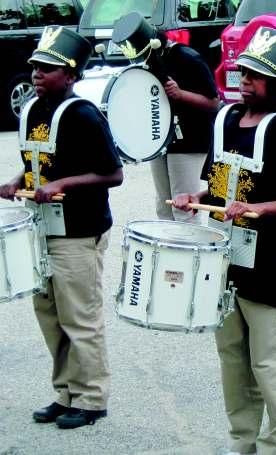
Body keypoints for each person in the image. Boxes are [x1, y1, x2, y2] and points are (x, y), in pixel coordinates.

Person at [173, 26, 276, 455]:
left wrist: (258, 209)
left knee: (269, 361)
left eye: (257, 76)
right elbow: (218, 187)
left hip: (269, 265)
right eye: (244, 73)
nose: (246, 81)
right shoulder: (225, 121)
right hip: (226, 262)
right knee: (232, 357)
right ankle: (242, 441)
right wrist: (196, 198)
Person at [0, 26, 123, 429]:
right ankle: (66, 391)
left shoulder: (84, 115)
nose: (37, 73)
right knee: (50, 314)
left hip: (79, 231)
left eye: (48, 68)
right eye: (35, 66)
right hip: (42, 229)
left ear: (70, 75)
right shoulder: (33, 110)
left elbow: (114, 174)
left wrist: (62, 185)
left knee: (80, 317)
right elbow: (41, 164)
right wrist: (19, 180)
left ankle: (92, 398)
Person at [112, 12, 220, 223]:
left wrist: (181, 94)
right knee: (164, 206)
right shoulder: (148, 62)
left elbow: (213, 102)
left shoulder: (188, 58)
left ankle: (189, 244)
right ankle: (166, 244)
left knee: (184, 208)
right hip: (159, 139)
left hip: (189, 139)